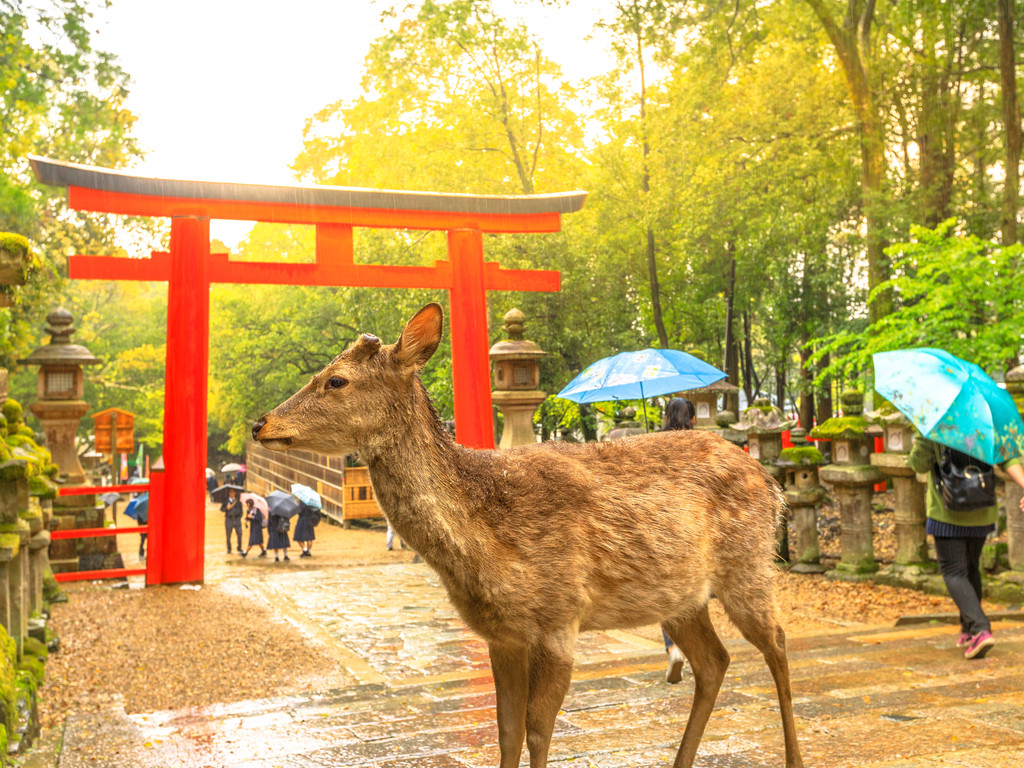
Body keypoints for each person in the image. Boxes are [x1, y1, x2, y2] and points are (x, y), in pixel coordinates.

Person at [909, 435, 1024, 659]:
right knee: (971, 567)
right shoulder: (984, 421)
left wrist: (920, 443)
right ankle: (968, 629)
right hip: (981, 509)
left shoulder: (936, 424)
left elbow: (918, 465)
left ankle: (980, 629)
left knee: (954, 572)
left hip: (947, 511)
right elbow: (1008, 457)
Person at [659, 397, 696, 683]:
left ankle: (673, 647)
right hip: (694, 524)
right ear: (691, 418)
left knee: (665, 593)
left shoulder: (656, 444)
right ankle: (694, 651)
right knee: (695, 593)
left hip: (663, 526)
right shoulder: (697, 444)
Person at [220, 488, 244, 554]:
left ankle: (239, 547)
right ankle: (229, 549)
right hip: (229, 519)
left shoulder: (238, 501)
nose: (232, 493)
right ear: (228, 493)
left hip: (237, 520)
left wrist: (237, 515)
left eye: (233, 492)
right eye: (230, 492)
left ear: (235, 493)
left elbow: (241, 512)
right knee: (228, 535)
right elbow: (221, 509)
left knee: (239, 534)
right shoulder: (225, 501)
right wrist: (226, 508)